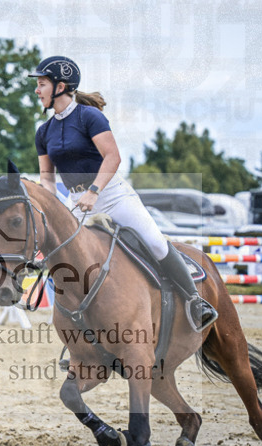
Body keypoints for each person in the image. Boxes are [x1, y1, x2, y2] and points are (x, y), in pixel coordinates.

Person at [29, 55, 218, 332]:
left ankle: (194, 301)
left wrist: (94, 191)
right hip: (76, 202)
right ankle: (75, 325)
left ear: (60, 86)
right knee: (63, 257)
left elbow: (113, 157)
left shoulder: (89, 117)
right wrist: (51, 207)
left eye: (42, 84)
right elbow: (47, 177)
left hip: (112, 196)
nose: (37, 90)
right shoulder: (43, 131)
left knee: (155, 242)